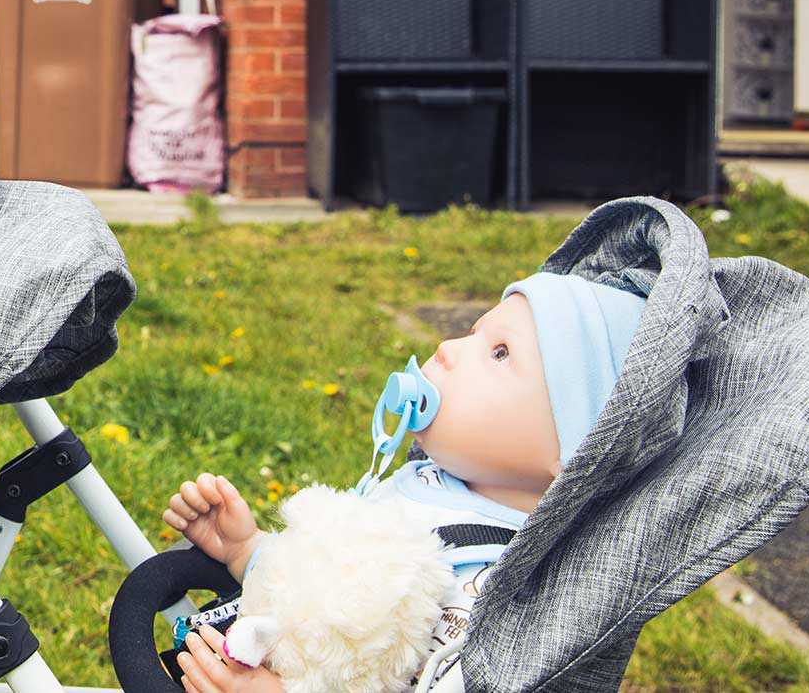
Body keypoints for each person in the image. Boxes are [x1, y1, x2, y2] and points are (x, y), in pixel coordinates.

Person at [162, 272, 647, 693]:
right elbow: (331, 599)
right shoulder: (429, 486)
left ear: (579, 454)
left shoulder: (494, 589)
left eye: (500, 353)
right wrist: (248, 551)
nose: (448, 348)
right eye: (474, 333)